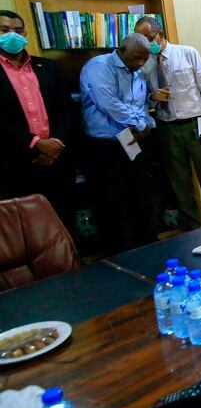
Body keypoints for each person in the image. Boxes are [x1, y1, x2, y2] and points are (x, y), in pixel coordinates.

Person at [134, 16, 201, 231]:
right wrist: (153, 97)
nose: (148, 44)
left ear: (160, 33)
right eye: (142, 40)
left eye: (150, 38)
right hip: (167, 127)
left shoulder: (187, 53)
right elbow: (141, 97)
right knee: (180, 183)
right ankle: (192, 230)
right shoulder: (145, 64)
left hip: (197, 124)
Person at [80, 33, 157, 254]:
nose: (141, 63)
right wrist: (140, 124)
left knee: (140, 192)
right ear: (121, 51)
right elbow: (110, 104)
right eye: (136, 58)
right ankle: (123, 250)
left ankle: (147, 245)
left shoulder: (137, 71)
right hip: (105, 144)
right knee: (113, 198)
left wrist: (145, 122)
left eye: (145, 58)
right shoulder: (99, 67)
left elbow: (138, 104)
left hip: (130, 140)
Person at [0, 9, 74, 228]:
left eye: (18, 30)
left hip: (57, 159)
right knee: (28, 228)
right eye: (4, 30)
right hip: (15, 163)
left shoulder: (48, 67)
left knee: (64, 221)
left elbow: (67, 109)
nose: (12, 35)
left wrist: (56, 144)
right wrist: (36, 144)